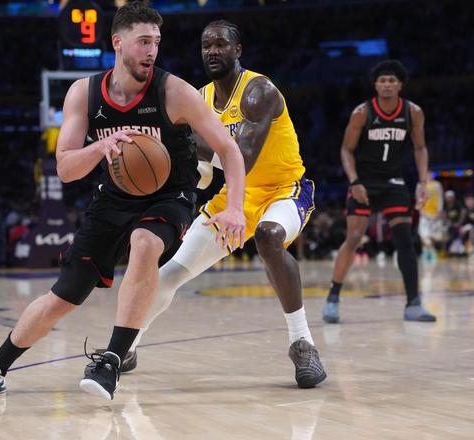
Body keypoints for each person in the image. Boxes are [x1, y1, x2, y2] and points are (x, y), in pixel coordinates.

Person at [0, 1, 246, 401]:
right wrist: (100, 147)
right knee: (66, 294)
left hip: (170, 195)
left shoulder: (174, 91)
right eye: (143, 41)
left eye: (156, 42)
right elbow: (65, 169)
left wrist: (234, 207)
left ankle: (111, 359)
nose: (151, 50)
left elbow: (229, 150)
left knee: (144, 243)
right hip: (113, 198)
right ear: (117, 43)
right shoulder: (84, 93)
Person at [107, 20, 326, 388]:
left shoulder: (258, 91)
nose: (212, 51)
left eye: (220, 45)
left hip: (283, 190)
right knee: (169, 274)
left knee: (269, 236)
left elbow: (243, 159)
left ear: (237, 50)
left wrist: (187, 142)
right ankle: (127, 346)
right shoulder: (200, 99)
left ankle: (302, 343)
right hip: (236, 197)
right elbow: (205, 173)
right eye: (206, 46)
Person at [322, 59, 436, 323]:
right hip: (364, 181)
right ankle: (333, 298)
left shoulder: (413, 112)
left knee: (405, 239)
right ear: (375, 85)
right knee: (354, 237)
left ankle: (413, 304)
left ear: (400, 85)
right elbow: (346, 149)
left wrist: (422, 182)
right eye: (382, 81)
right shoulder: (362, 112)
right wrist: (354, 182)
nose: (387, 85)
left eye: (392, 80)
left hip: (394, 182)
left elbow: (420, 148)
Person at [418, 177, 444, 263]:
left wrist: (439, 211)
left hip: (435, 214)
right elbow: (418, 198)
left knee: (434, 235)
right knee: (423, 234)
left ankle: (431, 251)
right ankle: (425, 251)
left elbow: (440, 198)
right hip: (424, 214)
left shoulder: (437, 184)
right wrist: (421, 211)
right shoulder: (420, 185)